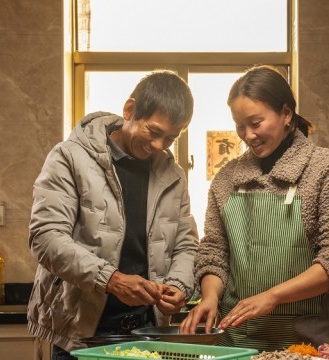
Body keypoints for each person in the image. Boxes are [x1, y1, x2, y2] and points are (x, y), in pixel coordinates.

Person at [179, 66, 329, 351]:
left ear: (286, 114)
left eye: (256, 123)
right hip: (236, 345)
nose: (248, 135)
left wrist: (273, 296)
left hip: (310, 345)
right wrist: (209, 297)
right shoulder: (227, 179)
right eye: (239, 125)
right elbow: (214, 252)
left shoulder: (325, 170)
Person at [27, 70, 199, 359]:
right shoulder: (69, 156)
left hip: (148, 334)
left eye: (170, 138)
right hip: (80, 334)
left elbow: (186, 244)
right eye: (153, 132)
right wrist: (111, 279)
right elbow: (45, 238)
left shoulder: (173, 175)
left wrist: (179, 285)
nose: (159, 146)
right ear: (130, 110)